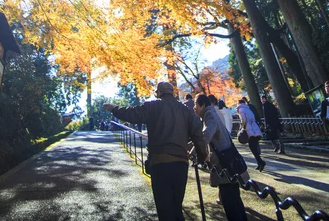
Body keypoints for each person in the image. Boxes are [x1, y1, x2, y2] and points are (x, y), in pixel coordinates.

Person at [103, 81, 207, 221]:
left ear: (158, 93)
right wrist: (202, 156)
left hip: (160, 163)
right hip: (181, 163)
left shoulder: (153, 107)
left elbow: (132, 114)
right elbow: (197, 134)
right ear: (172, 93)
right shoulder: (184, 110)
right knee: (176, 206)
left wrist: (114, 109)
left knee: (165, 209)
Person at [195, 93, 248, 221]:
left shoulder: (209, 115)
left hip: (224, 164)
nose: (194, 108)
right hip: (228, 161)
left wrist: (194, 151)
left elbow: (207, 133)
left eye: (196, 105)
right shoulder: (211, 113)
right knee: (234, 199)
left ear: (202, 105)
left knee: (229, 200)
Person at [237, 99, 265, 171]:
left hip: (248, 129)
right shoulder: (248, 109)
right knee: (254, 146)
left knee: (252, 147)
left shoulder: (241, 110)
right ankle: (259, 162)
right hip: (254, 128)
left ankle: (260, 162)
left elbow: (243, 120)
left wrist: (242, 127)